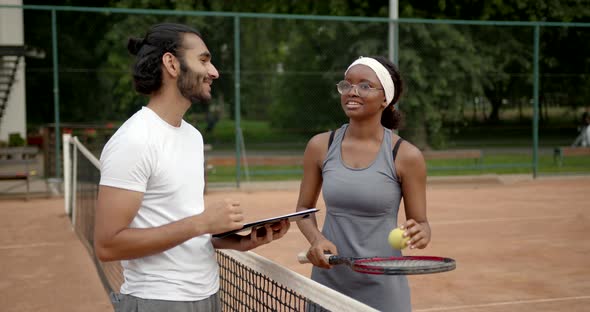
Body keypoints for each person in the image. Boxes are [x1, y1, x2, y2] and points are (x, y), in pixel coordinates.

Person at [94, 23, 290, 312]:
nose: (214, 72)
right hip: (158, 301)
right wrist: (202, 222)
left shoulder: (192, 137)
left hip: (208, 294)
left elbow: (178, 224)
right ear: (171, 64)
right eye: (203, 60)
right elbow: (107, 245)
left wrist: (236, 241)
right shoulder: (134, 141)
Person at [295, 56, 430, 311]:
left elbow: (420, 223)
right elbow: (303, 209)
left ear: (385, 99)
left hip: (384, 286)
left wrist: (422, 232)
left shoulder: (407, 156)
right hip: (328, 281)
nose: (352, 92)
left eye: (365, 86)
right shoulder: (319, 146)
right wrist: (316, 239)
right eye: (346, 85)